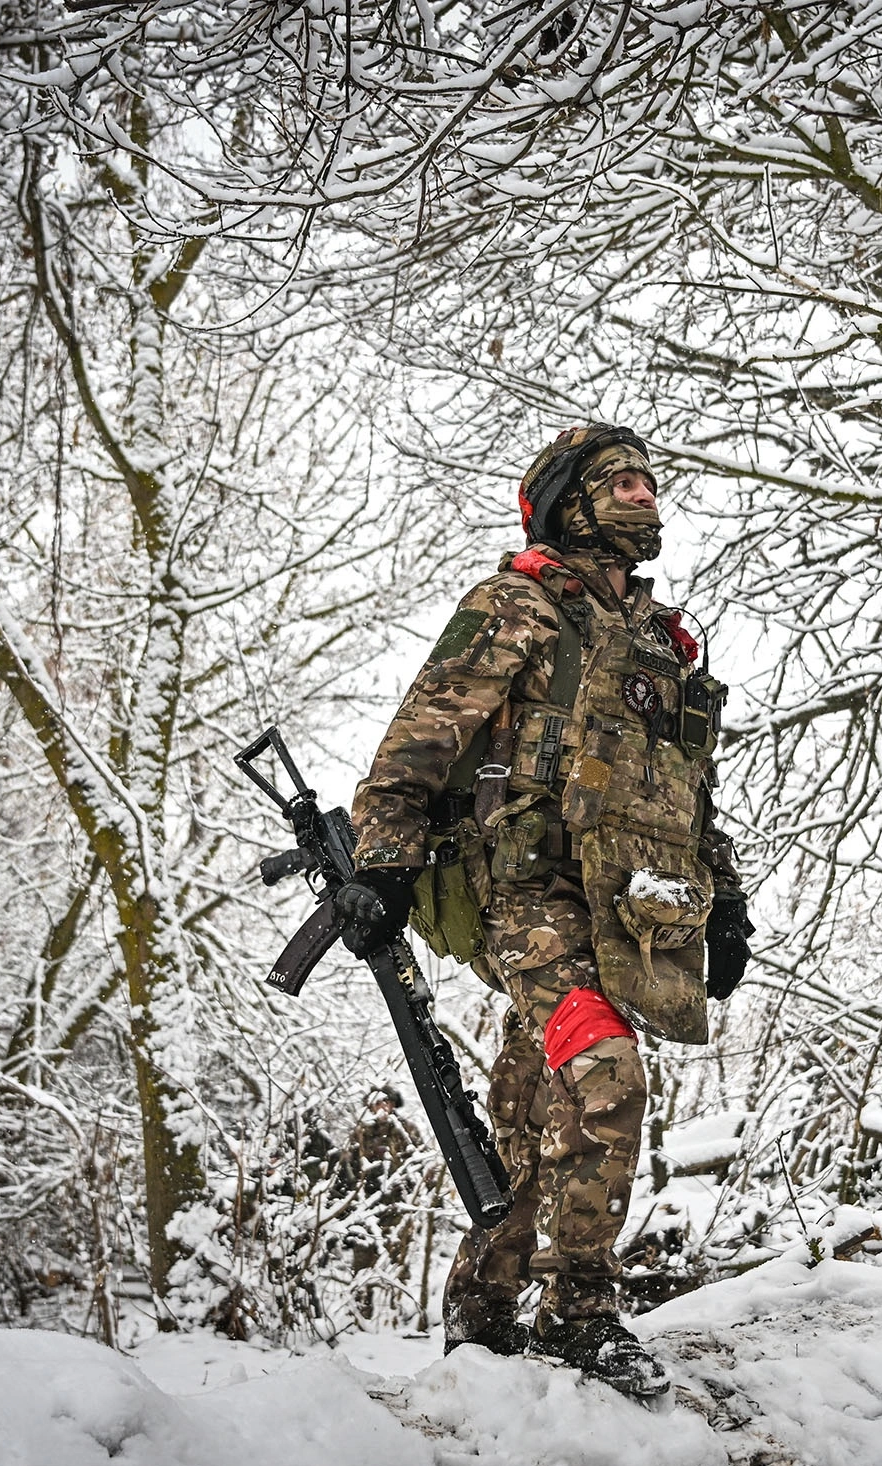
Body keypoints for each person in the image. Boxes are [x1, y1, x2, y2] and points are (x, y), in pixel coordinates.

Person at [332, 425, 752, 1399]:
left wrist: (726, 903)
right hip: (521, 894)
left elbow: (690, 792)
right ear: (569, 501)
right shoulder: (513, 606)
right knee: (604, 1072)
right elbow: (411, 752)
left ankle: (483, 1312)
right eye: (621, 482)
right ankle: (578, 1316)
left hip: (631, 909)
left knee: (534, 1100)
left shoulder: (661, 643)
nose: (646, 495)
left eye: (651, 482)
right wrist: (381, 865)